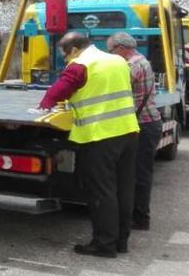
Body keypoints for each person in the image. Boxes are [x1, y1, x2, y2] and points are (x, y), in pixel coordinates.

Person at [36, 32, 140, 258]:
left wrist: (45, 104)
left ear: (73, 49)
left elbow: (57, 91)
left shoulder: (80, 64)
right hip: (128, 132)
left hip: (99, 136)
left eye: (65, 55)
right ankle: (121, 241)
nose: (65, 61)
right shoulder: (118, 61)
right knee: (123, 189)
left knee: (102, 192)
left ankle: (104, 245)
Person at [107, 32, 162, 231]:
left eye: (111, 50)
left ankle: (140, 218)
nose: (110, 54)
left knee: (140, 174)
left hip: (145, 125)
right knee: (136, 172)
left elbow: (112, 85)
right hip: (145, 124)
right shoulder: (138, 61)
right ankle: (136, 215)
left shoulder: (135, 64)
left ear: (121, 49)